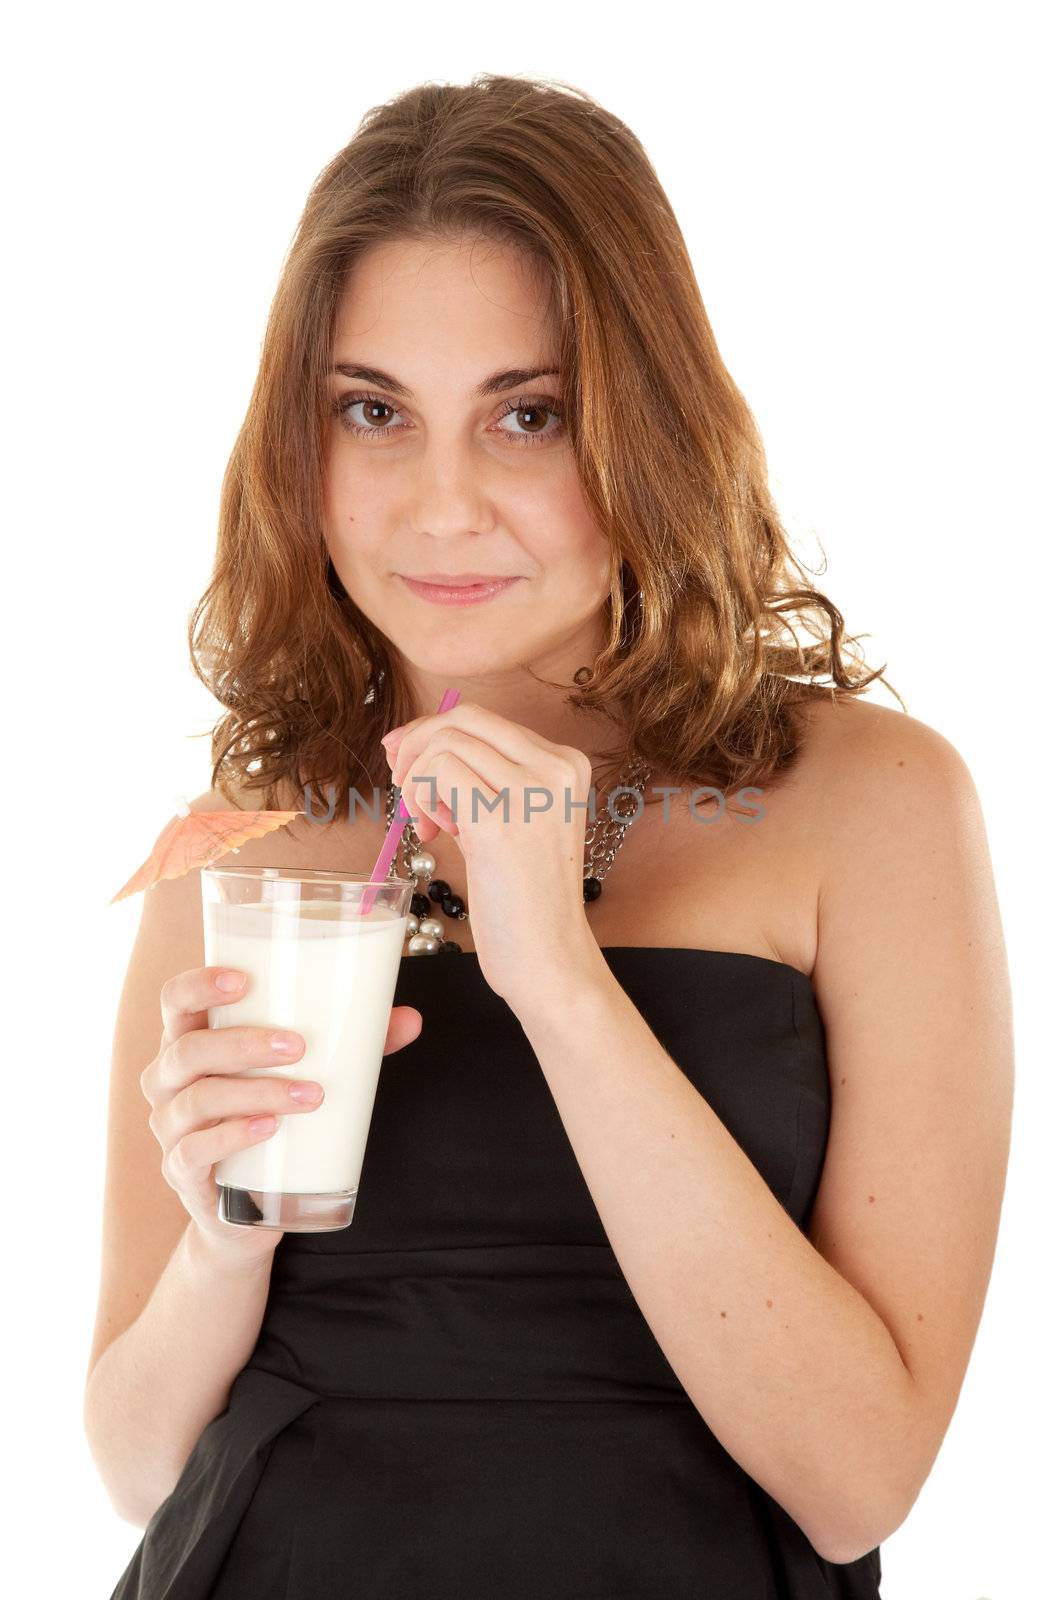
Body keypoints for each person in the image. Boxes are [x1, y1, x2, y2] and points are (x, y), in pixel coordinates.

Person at [86, 73, 1013, 1599]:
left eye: (529, 415)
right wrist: (222, 1237)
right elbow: (134, 1468)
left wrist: (559, 976)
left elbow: (855, 1480)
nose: (441, 508)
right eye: (371, 412)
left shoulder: (872, 802)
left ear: (646, 427)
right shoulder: (239, 843)